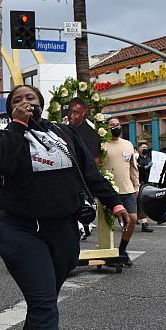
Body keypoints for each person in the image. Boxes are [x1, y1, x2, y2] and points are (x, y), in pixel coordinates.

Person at [0, 85, 129, 330]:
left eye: (31, 98)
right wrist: (18, 127)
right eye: (18, 100)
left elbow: (89, 174)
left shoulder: (62, 133)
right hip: (21, 230)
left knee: (46, 296)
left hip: (63, 229)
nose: (26, 102)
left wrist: (115, 204)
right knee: (43, 299)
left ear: (42, 103)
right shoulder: (3, 137)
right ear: (11, 108)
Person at [103, 118, 140, 265]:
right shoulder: (102, 145)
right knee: (107, 223)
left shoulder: (128, 144)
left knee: (132, 219)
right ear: (106, 128)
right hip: (109, 190)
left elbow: (133, 167)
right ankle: (109, 253)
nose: (116, 127)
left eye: (118, 125)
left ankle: (122, 250)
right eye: (112, 125)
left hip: (127, 189)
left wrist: (136, 185)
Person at [66, 97, 102, 239]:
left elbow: (95, 161)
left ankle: (83, 226)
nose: (71, 115)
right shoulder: (66, 130)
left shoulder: (90, 134)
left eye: (75, 112)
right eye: (70, 112)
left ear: (84, 114)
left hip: (81, 178)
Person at [136, 142, 154, 232]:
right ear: (138, 149)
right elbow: (139, 169)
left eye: (146, 147)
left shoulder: (148, 159)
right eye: (143, 147)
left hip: (148, 182)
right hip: (139, 183)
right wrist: (146, 167)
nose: (145, 149)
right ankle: (144, 223)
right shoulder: (136, 159)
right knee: (140, 202)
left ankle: (137, 218)